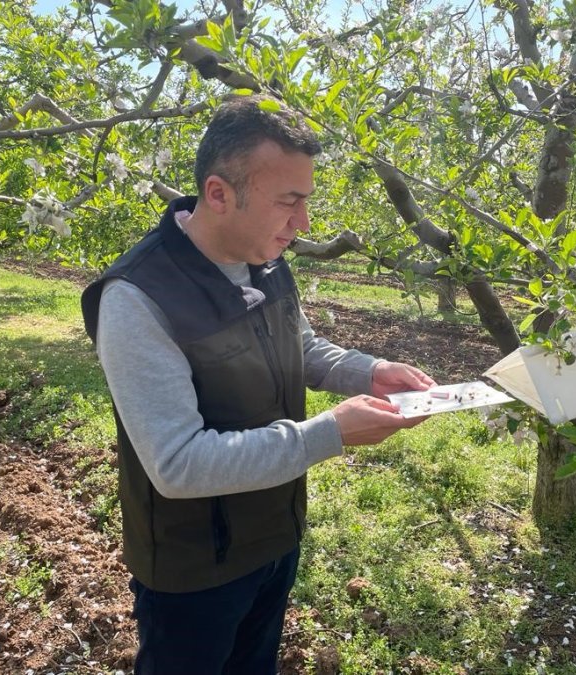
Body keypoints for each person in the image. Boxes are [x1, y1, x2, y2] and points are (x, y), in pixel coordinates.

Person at [80, 93, 435, 674]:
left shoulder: (264, 256)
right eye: (288, 202)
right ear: (218, 194)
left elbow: (303, 346)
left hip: (273, 535)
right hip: (194, 568)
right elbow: (176, 464)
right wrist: (330, 433)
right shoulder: (138, 299)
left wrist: (369, 370)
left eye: (306, 201)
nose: (303, 224)